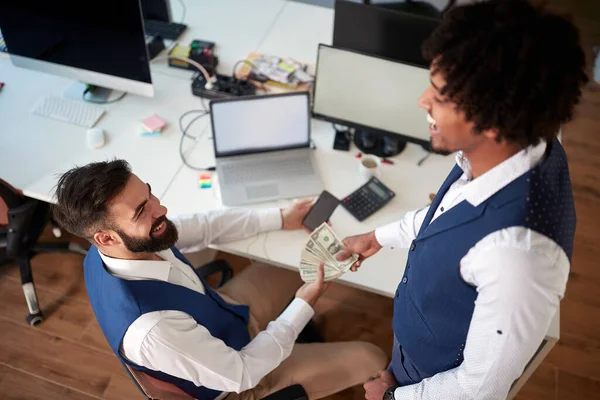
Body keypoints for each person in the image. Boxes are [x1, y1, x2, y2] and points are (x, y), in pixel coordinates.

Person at [335, 0, 588, 399]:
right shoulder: (525, 140)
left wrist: (391, 397)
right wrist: (380, 237)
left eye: (439, 96)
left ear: (490, 121)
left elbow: (478, 388)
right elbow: (450, 212)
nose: (422, 101)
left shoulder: (517, 257)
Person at [50, 159, 387, 400]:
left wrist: (282, 218)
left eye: (150, 194)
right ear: (106, 238)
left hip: (220, 315)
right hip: (239, 379)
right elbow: (241, 372)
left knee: (297, 260)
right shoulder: (153, 330)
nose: (161, 208)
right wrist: (304, 304)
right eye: (142, 211)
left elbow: (207, 225)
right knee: (372, 357)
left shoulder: (124, 245)